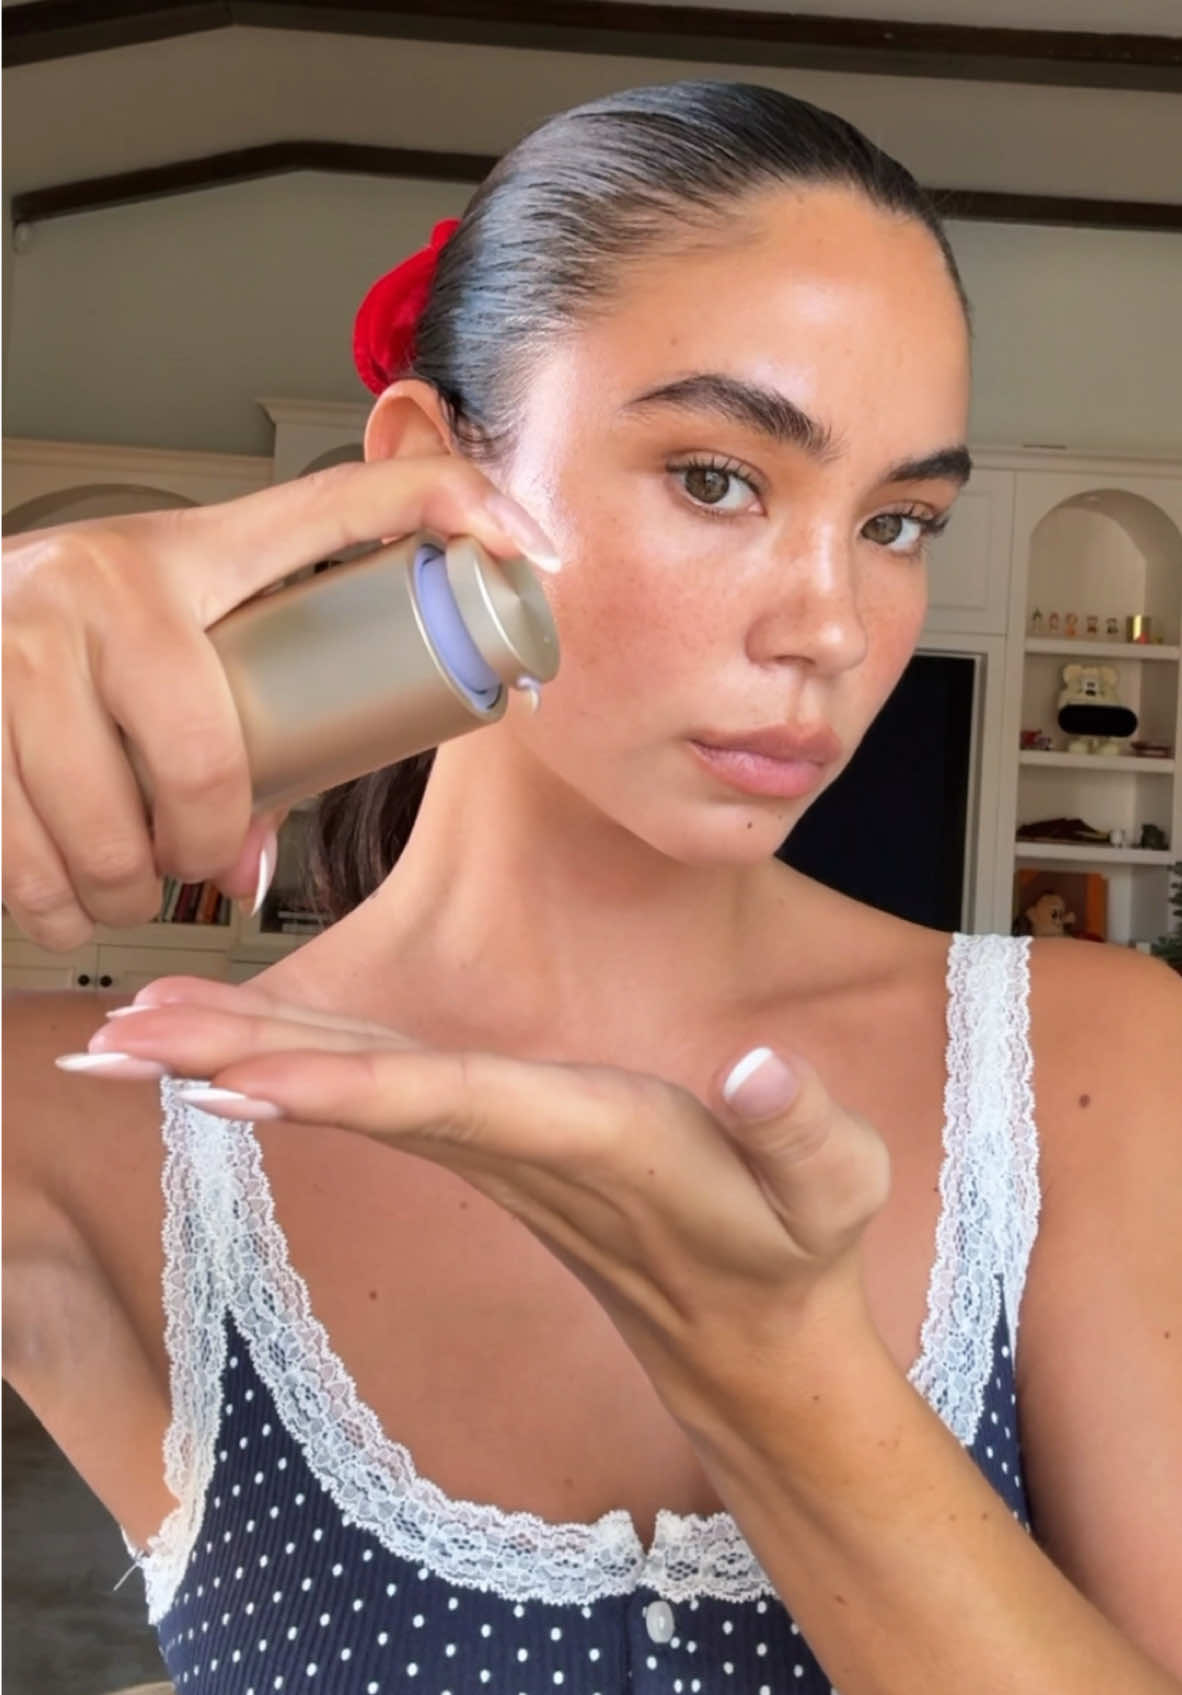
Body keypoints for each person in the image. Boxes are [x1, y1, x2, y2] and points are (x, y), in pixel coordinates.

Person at [3, 79, 1180, 1695]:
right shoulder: (89, 1118)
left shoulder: (1085, 1065)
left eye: (898, 521)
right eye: (716, 478)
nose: (832, 626)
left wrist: (771, 1366)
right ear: (424, 474)